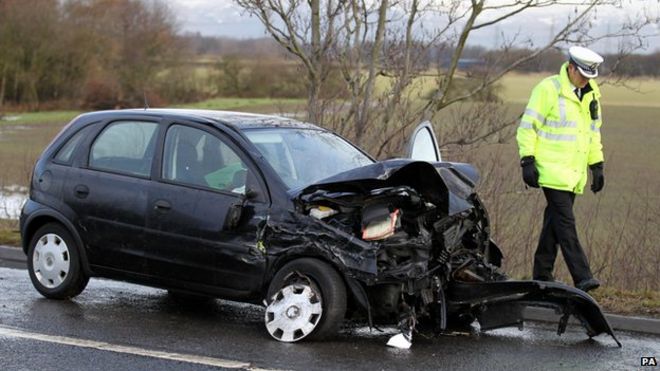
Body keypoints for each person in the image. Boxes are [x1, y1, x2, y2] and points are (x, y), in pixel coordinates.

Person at [516, 46, 605, 292]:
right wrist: (528, 160)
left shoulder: (592, 94)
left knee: (553, 224)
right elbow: (527, 127)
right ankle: (583, 276)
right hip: (551, 170)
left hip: (573, 173)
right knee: (566, 223)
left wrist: (596, 165)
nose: (587, 80)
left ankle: (542, 274)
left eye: (590, 77)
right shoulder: (548, 89)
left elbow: (592, 133)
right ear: (571, 67)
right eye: (583, 75)